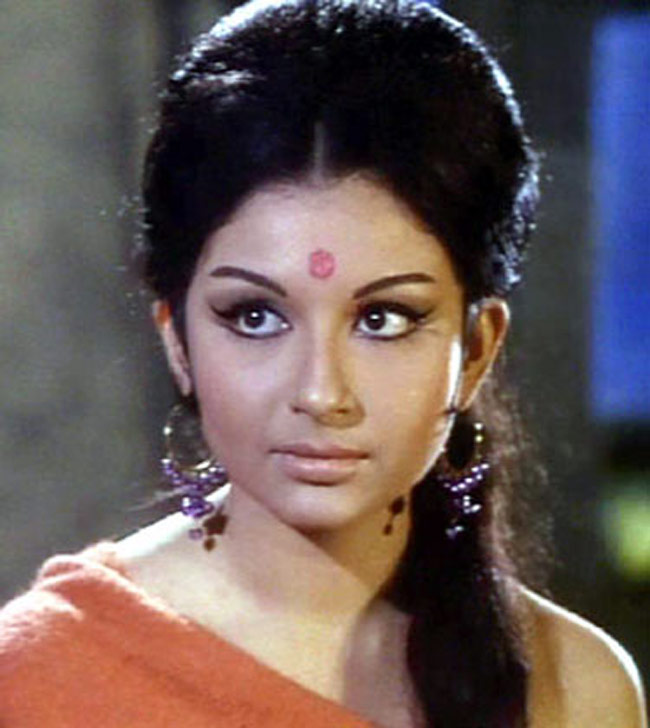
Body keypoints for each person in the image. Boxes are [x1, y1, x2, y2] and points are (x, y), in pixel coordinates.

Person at [0, 0, 645, 726]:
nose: (320, 391)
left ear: (477, 351)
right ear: (177, 340)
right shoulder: (42, 679)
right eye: (255, 317)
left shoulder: (579, 690)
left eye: (383, 319)